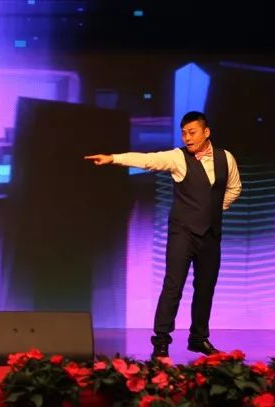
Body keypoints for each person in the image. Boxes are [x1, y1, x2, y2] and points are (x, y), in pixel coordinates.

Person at [85, 111, 241, 358]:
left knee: (205, 288)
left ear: (206, 132)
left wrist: (214, 209)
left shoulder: (226, 158)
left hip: (211, 234)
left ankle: (198, 338)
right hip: (183, 233)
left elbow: (234, 188)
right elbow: (148, 160)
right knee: (173, 286)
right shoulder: (178, 158)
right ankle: (161, 342)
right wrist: (114, 158)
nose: (187, 138)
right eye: (184, 133)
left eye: (192, 132)